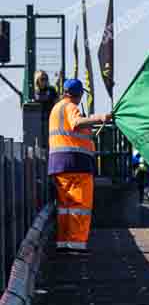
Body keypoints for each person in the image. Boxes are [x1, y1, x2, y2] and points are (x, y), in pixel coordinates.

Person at [48, 79, 112, 254]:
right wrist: (99, 118)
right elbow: (76, 123)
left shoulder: (56, 109)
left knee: (65, 208)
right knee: (80, 206)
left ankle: (63, 243)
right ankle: (76, 245)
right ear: (79, 94)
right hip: (76, 164)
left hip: (60, 165)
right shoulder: (70, 107)